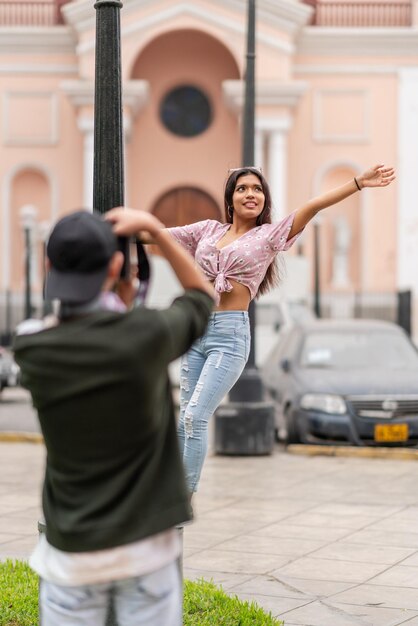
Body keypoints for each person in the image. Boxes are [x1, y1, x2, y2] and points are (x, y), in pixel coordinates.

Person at [13, 207, 215, 626]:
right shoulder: (145, 335)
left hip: (72, 556)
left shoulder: (32, 347)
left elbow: (64, 320)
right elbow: (202, 297)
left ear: (50, 266)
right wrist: (155, 230)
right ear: (117, 266)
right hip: (145, 551)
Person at [160, 163, 395, 495]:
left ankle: (182, 498)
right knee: (184, 418)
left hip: (229, 336)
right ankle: (169, 494)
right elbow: (158, 236)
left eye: (257, 189)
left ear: (264, 199)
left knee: (196, 416)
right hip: (196, 330)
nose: (251, 194)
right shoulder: (208, 231)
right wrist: (113, 227)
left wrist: (357, 183)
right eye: (242, 188)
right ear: (230, 199)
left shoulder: (268, 236)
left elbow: (312, 206)